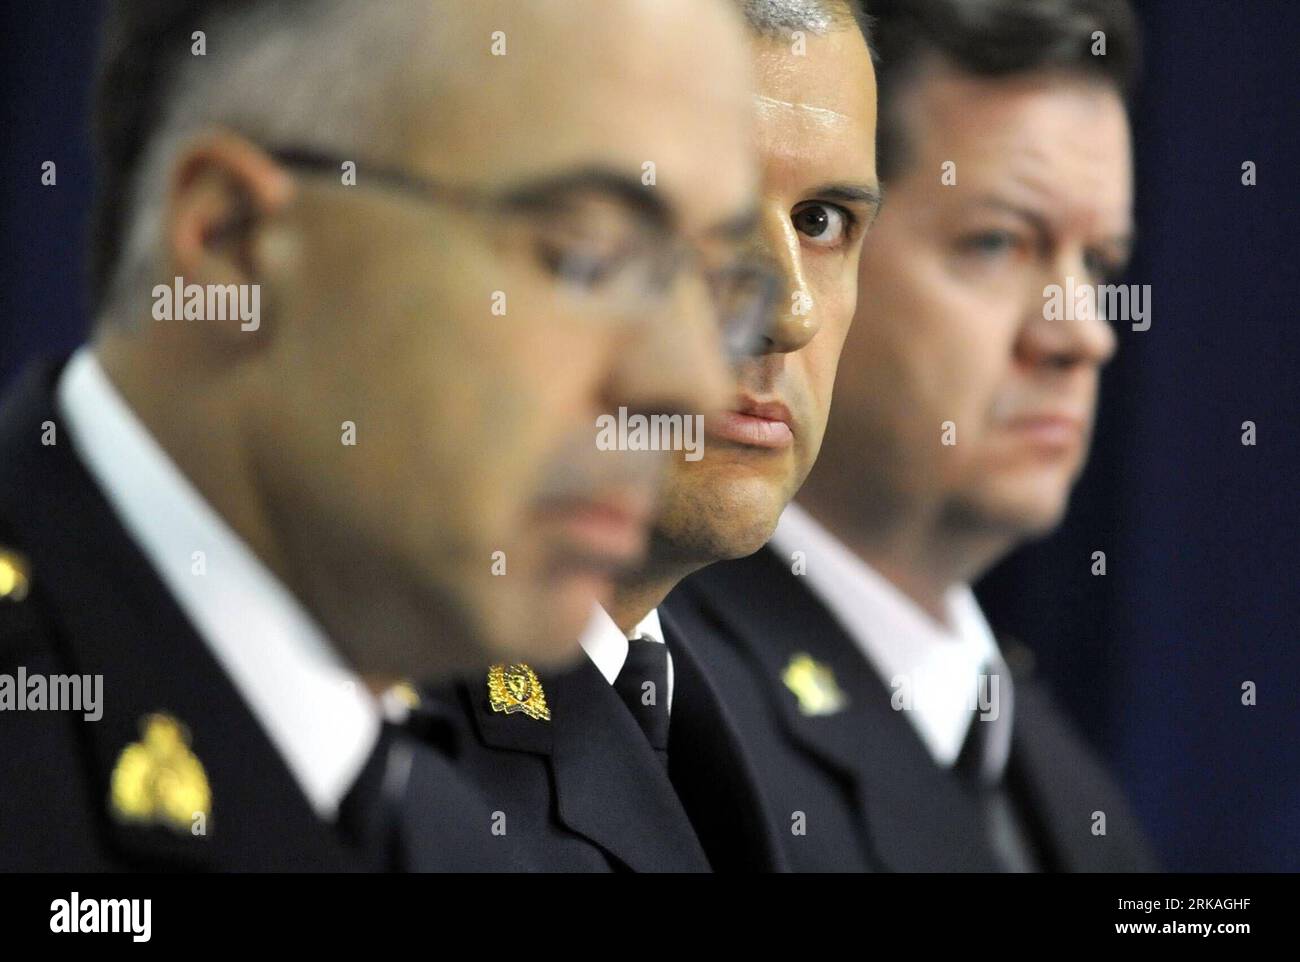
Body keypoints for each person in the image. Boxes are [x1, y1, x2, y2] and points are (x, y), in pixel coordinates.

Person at [0, 0, 762, 870]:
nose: (694, 389)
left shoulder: (441, 828)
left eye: (716, 288)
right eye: (584, 257)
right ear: (232, 246)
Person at [670, 0, 1158, 870]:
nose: (1082, 332)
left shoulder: (1076, 793)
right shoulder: (669, 712)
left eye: (1099, 264)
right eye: (1000, 242)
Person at [431, 0, 880, 871]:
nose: (789, 313)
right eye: (710, 210)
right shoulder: (360, 733)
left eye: (821, 221)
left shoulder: (741, 739)